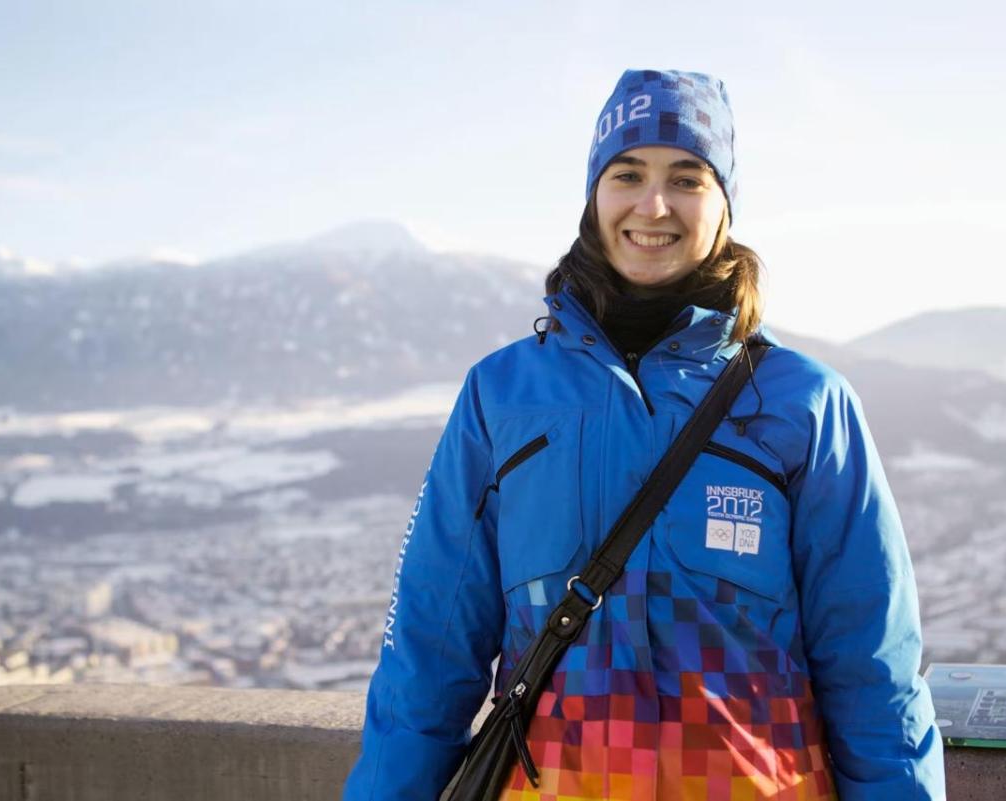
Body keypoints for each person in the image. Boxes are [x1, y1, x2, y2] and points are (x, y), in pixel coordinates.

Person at [343, 68, 946, 800]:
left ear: (725, 204)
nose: (653, 205)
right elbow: (429, 655)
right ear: (595, 194)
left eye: (687, 178)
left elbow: (872, 667)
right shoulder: (501, 396)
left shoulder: (806, 403)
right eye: (627, 173)